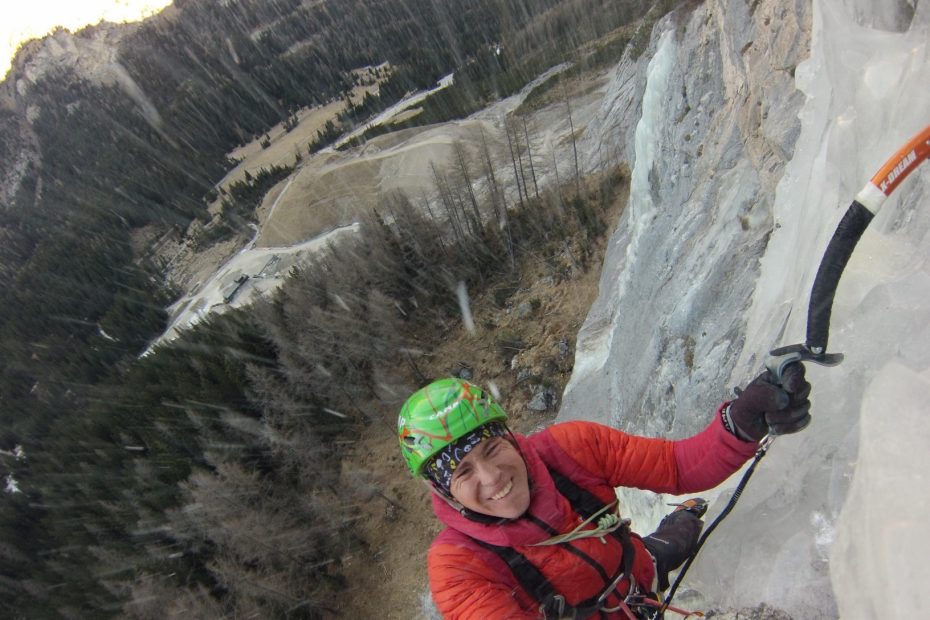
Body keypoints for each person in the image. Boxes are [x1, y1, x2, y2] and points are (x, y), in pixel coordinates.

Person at [397, 367, 811, 619]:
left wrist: (743, 421)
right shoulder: (458, 566)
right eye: (464, 472)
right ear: (445, 492)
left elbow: (680, 465)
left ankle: (681, 519)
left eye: (492, 448)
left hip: (638, 575)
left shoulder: (570, 450)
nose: (492, 477)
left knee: (683, 530)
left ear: (509, 436)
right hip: (623, 595)